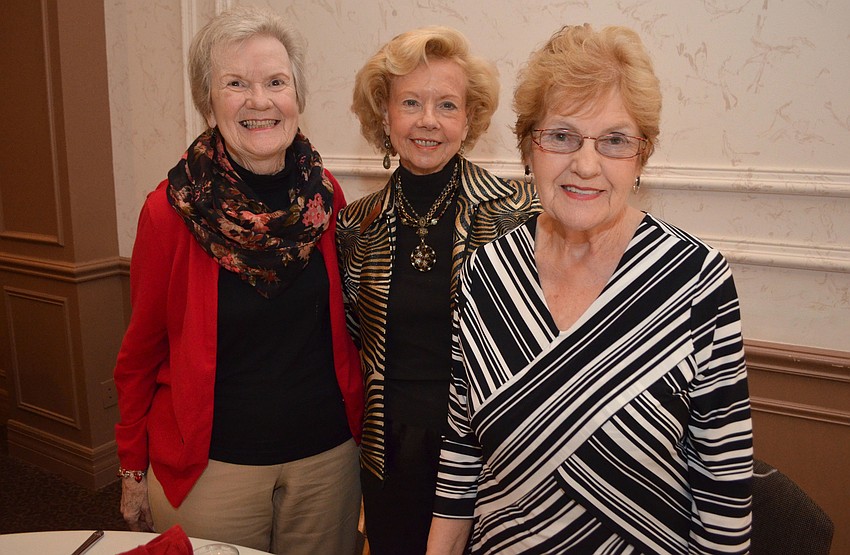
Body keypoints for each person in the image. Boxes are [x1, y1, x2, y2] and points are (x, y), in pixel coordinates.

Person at [427, 24, 753, 554]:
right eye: (561, 136)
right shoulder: (485, 271)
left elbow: (724, 501)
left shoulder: (698, 280)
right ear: (528, 147)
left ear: (642, 157)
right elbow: (462, 454)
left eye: (615, 141)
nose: (585, 164)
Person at [112, 7, 363, 555]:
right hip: (212, 470)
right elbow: (140, 351)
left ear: (297, 94)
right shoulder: (169, 211)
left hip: (325, 462)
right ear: (208, 99)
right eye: (235, 84)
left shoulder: (326, 199)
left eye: (276, 81)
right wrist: (132, 463)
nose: (259, 100)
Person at [337, 26, 540, 555]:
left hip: (485, 451)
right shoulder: (355, 226)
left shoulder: (515, 214)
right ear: (385, 116)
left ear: (468, 119)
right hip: (390, 452)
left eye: (447, 105)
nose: (428, 120)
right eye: (411, 102)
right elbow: (356, 335)